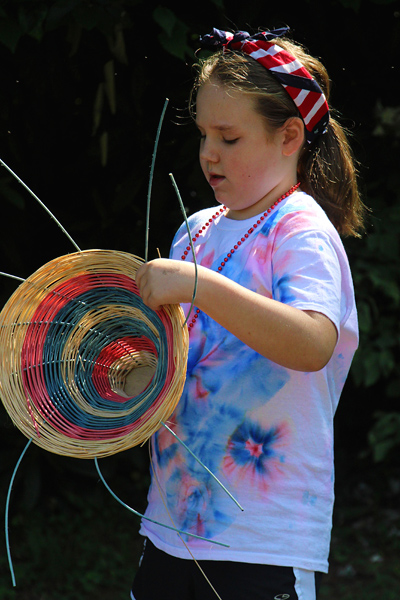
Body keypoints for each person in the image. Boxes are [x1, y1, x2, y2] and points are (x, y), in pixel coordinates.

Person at [132, 26, 365, 600]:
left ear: (289, 136)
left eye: (230, 137)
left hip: (263, 542)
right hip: (171, 528)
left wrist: (197, 284)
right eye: (206, 133)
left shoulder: (300, 229)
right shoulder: (196, 232)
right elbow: (177, 367)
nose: (210, 152)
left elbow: (312, 343)